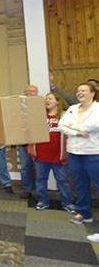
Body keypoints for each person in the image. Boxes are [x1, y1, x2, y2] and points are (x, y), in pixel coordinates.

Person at [59, 83, 99, 234]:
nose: (79, 93)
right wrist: (77, 132)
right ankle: (84, 213)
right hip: (74, 153)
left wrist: (74, 126)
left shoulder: (98, 108)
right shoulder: (72, 108)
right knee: (80, 185)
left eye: (83, 90)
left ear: (92, 93)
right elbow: (62, 125)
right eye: (78, 90)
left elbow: (94, 125)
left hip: (93, 153)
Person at [29, 93, 75, 214]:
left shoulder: (65, 116)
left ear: (58, 101)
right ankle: (43, 201)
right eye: (46, 99)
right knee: (40, 180)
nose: (47, 100)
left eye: (50, 98)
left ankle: (67, 203)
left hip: (58, 157)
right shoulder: (39, 116)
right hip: (41, 155)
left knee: (63, 181)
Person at [19, 84, 39, 199]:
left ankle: (39, 190)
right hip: (23, 143)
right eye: (26, 92)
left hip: (37, 143)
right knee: (25, 167)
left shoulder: (42, 106)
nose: (29, 94)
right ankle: (27, 190)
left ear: (36, 93)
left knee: (39, 167)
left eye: (32, 92)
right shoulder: (19, 106)